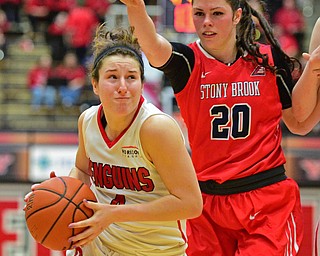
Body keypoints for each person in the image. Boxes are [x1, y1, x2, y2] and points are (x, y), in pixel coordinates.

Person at [119, 0, 320, 255]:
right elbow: (152, 45)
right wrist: (136, 7)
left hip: (265, 200)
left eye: (217, 14)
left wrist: (313, 71)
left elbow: (298, 121)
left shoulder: (267, 59)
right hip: (207, 205)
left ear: (237, 16)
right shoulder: (188, 61)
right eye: (199, 14)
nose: (207, 22)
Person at [24, 23, 202, 255]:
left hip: (155, 250)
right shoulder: (87, 120)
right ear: (95, 85)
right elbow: (82, 169)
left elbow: (191, 204)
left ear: (141, 82)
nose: (122, 87)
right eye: (112, 77)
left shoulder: (156, 128)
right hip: (98, 245)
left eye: (131, 77)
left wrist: (113, 214)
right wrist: (59, 190)